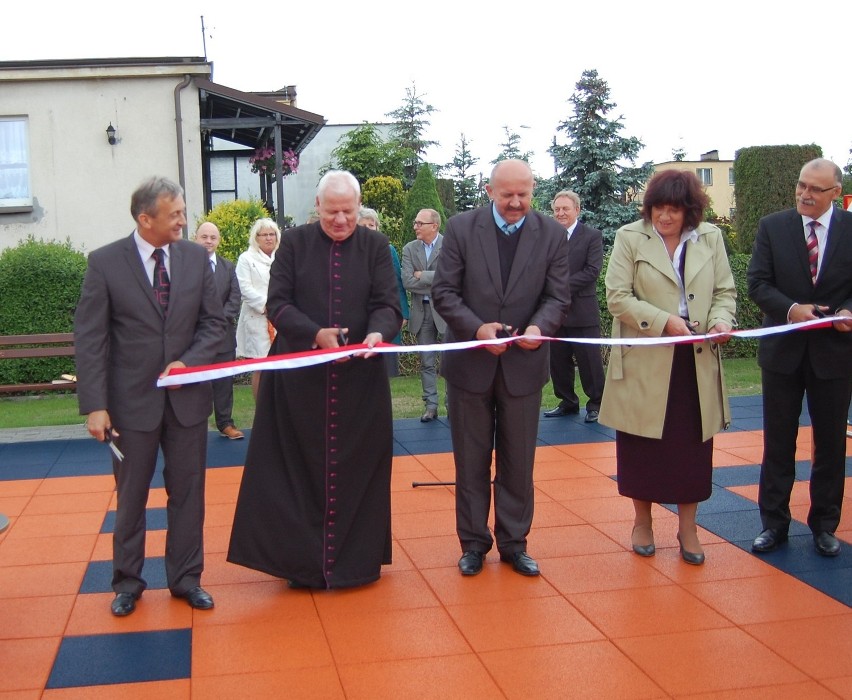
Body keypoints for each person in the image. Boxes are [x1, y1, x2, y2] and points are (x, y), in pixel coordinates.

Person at [227, 171, 402, 589]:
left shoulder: (376, 246)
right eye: (331, 212)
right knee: (296, 470)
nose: (340, 220)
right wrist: (314, 334)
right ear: (317, 207)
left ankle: (357, 563)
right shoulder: (295, 243)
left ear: (358, 208)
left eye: (348, 212)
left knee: (361, 468)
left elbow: (389, 305)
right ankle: (300, 564)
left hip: (360, 379)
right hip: (300, 379)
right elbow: (278, 304)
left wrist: (379, 332)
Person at [74, 176, 226, 616]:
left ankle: (186, 579)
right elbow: (90, 338)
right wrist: (95, 406)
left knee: (188, 494)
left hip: (187, 402)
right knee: (131, 497)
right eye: (174, 214)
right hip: (128, 406)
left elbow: (214, 324)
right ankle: (128, 582)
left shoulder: (197, 259)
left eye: (183, 211)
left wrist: (190, 362)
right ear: (145, 219)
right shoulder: (104, 263)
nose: (183, 220)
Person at [432, 159, 571, 577]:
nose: (515, 202)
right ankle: (473, 544)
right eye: (507, 194)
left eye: (523, 194)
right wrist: (477, 328)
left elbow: (558, 296)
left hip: (524, 366)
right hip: (471, 366)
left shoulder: (550, 233)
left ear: (533, 191)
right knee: (470, 461)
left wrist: (539, 327)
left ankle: (514, 543)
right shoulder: (460, 228)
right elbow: (444, 292)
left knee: (518, 462)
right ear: (489, 191)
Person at [598, 169, 736, 565]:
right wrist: (664, 321)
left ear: (690, 211)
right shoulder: (630, 237)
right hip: (645, 356)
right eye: (659, 208)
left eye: (674, 210)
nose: (664, 217)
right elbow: (617, 297)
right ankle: (642, 521)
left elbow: (725, 291)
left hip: (695, 361)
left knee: (692, 448)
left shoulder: (710, 237)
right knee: (642, 446)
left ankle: (688, 527)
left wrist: (721, 321)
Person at [747, 158, 852, 558]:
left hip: (835, 354)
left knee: (829, 445)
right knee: (778, 441)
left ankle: (825, 526)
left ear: (834, 195)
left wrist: (845, 312)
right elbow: (758, 282)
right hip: (783, 353)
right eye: (801, 185)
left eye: (815, 189)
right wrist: (793, 310)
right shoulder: (773, 227)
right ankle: (773, 525)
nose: (805, 194)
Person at [542, 191, 606, 424]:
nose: (560, 213)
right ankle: (567, 402)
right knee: (558, 362)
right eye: (557, 209)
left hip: (583, 313)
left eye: (565, 209)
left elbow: (592, 271)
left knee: (590, 362)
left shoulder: (592, 236)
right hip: (554, 314)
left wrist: (558, 287)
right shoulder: (548, 237)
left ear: (577, 210)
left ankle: (597, 403)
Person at [194, 222, 244, 440]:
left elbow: (235, 299)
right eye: (204, 237)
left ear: (219, 240)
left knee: (224, 384)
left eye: (213, 237)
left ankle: (225, 423)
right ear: (196, 239)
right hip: (195, 339)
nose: (208, 241)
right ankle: (196, 426)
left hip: (223, 336)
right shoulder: (185, 267)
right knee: (196, 386)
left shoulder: (228, 267)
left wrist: (216, 321)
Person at [402, 208, 448, 422]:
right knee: (427, 363)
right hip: (422, 313)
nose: (415, 227)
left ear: (434, 226)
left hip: (447, 313)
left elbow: (453, 279)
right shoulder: (410, 249)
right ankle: (431, 406)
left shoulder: (449, 246)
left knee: (450, 362)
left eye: (420, 223)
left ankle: (452, 403)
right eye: (415, 222)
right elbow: (408, 282)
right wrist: (437, 281)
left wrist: (424, 276)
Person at [358, 207, 409, 376]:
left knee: (383, 369)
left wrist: (402, 314)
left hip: (382, 315)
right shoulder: (349, 252)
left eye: (371, 225)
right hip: (358, 316)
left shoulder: (389, 250)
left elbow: (397, 284)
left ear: (377, 228)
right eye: (363, 225)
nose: (367, 229)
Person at [235, 218, 280, 399]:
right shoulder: (246, 258)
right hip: (258, 317)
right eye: (265, 235)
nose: (269, 238)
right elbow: (244, 288)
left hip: (281, 318)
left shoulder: (283, 255)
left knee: (280, 366)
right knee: (261, 367)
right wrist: (268, 306)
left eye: (272, 234)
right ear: (256, 237)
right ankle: (261, 413)